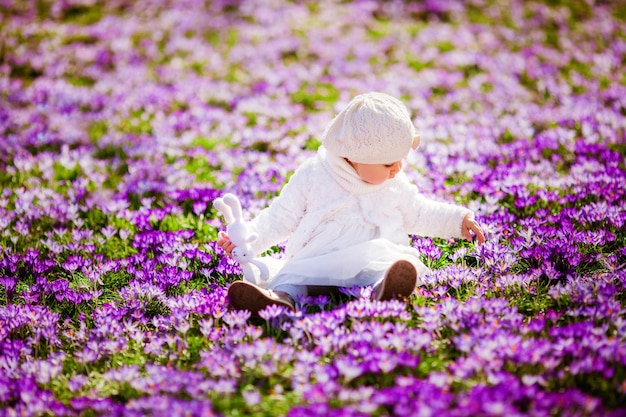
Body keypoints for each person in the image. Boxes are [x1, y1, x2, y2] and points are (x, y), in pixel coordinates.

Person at [217, 92, 485, 314]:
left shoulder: (394, 184)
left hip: (370, 258)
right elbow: (280, 216)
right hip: (317, 261)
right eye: (389, 163)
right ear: (355, 156)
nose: (397, 169)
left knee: (392, 264)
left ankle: (385, 289)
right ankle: (277, 300)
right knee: (293, 278)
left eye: (400, 161)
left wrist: (456, 220)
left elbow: (419, 212)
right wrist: (248, 237)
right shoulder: (315, 175)